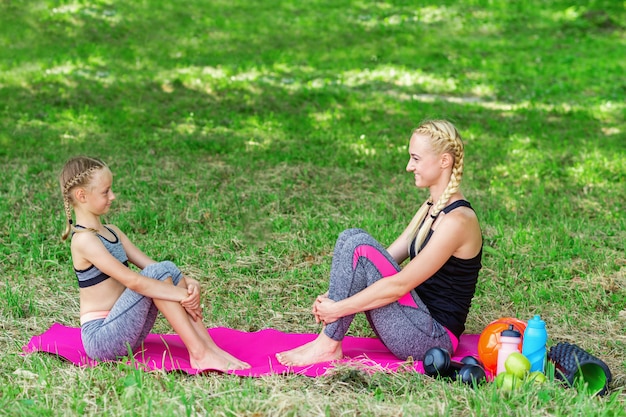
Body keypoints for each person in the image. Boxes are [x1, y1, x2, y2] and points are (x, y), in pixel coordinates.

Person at [276, 120, 483, 367]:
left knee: (359, 245)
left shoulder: (458, 221)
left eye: (416, 159)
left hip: (432, 340)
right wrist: (336, 292)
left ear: (444, 161)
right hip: (414, 319)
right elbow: (388, 257)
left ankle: (327, 345)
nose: (409, 167)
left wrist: (338, 308)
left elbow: (399, 285)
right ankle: (326, 341)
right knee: (350, 238)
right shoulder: (432, 206)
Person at [59, 156, 250, 371]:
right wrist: (181, 296)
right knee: (157, 272)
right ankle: (199, 353)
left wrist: (188, 283)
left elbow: (156, 267)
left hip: (127, 325)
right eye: (105, 192)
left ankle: (209, 347)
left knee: (166, 267)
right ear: (81, 195)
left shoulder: (113, 232)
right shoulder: (84, 240)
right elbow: (134, 281)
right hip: (102, 339)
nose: (113, 196)